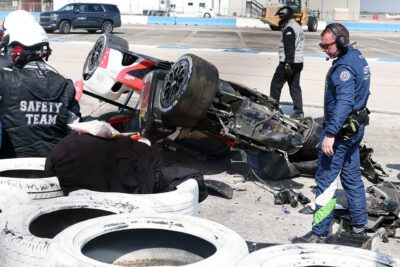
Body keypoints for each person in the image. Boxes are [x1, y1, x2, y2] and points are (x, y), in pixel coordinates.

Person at [292, 23, 371, 243]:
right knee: (352, 178)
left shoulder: (343, 68)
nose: (325, 49)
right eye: (322, 45)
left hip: (340, 132)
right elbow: (363, 92)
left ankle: (319, 233)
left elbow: (344, 102)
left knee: (325, 181)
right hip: (355, 129)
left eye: (327, 46)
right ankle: (358, 228)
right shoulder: (359, 57)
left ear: (342, 42)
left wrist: (330, 134)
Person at [0, 12, 80, 158]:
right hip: (52, 168)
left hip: (9, 169)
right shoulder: (66, 84)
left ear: (18, 50)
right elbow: (74, 130)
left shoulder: (4, 79)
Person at [270, 6, 305, 119]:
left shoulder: (289, 29)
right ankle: (299, 112)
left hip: (288, 62)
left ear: (285, 15)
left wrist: (287, 64)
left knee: (276, 85)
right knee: (295, 86)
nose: (279, 18)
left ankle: (273, 109)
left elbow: (289, 48)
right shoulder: (297, 26)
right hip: (298, 62)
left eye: (280, 15)